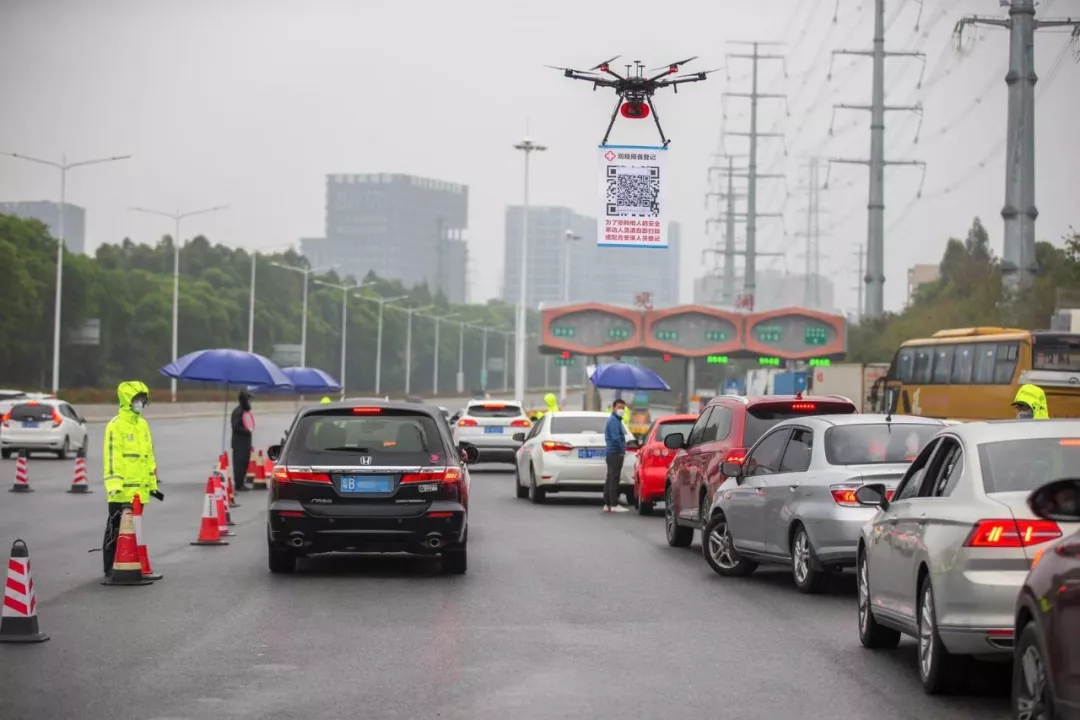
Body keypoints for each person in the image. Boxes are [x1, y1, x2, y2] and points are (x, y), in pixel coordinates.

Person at [101, 381, 163, 578]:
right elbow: (112, 458)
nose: (141, 403)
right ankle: (110, 567)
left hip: (139, 491)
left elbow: (148, 458)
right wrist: (114, 484)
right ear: (127, 400)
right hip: (120, 492)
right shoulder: (115, 426)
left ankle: (135, 565)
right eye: (137, 399)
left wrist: (152, 484)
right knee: (115, 530)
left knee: (136, 532)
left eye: (143, 400)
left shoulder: (143, 426)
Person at [603, 399, 629, 513]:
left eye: (623, 408)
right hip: (615, 452)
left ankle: (607, 503)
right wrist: (622, 449)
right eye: (619, 407)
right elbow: (615, 438)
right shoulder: (614, 421)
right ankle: (613, 504)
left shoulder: (616, 420)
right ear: (613, 408)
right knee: (614, 478)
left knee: (610, 478)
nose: (621, 410)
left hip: (612, 452)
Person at [231, 391, 255, 491]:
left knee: (245, 462)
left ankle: (241, 482)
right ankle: (239, 484)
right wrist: (246, 431)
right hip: (239, 443)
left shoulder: (245, 412)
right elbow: (235, 426)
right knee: (239, 464)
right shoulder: (238, 412)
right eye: (248, 400)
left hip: (245, 443)